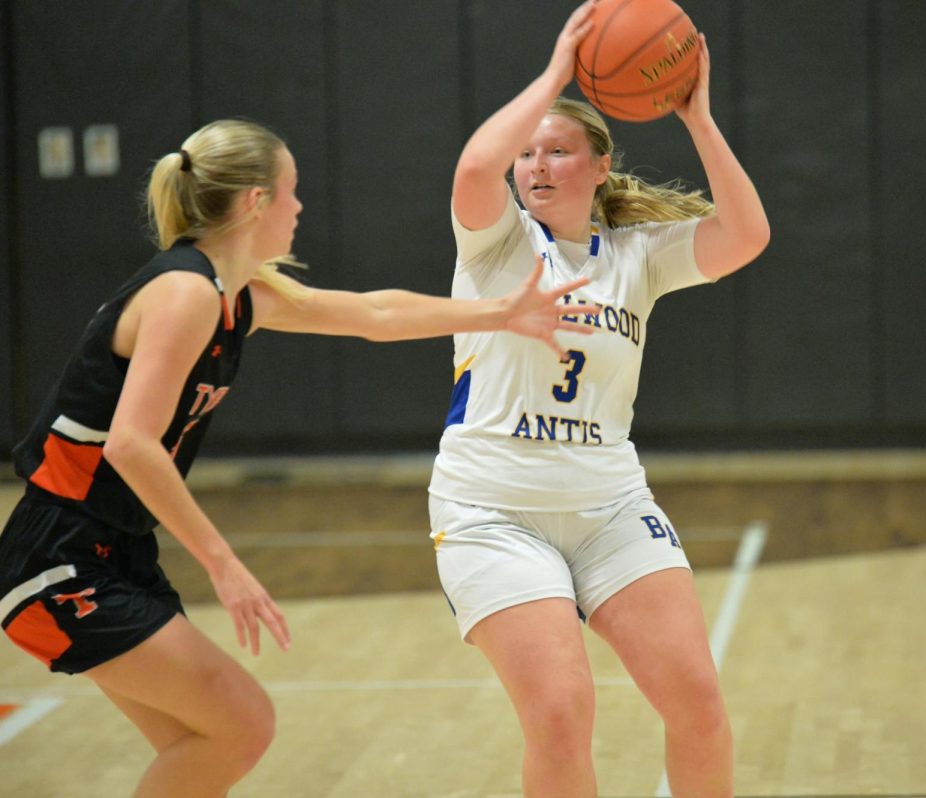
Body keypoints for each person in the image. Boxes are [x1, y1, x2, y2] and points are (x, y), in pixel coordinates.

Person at [0, 118, 599, 798]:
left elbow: (372, 313)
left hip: (116, 551)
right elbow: (130, 444)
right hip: (61, 558)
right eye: (291, 191)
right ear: (256, 202)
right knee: (242, 725)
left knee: (201, 750)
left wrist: (499, 313)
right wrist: (225, 566)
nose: (300, 207)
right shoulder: (185, 293)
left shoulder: (236, 297)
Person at [427, 3, 770, 796]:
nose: (537, 166)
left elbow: (746, 235)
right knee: (559, 713)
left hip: (610, 505)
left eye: (558, 150)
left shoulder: (636, 258)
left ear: (601, 165)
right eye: (528, 154)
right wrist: (555, 74)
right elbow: (473, 173)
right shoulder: (497, 243)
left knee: (699, 703)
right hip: (492, 510)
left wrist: (699, 119)